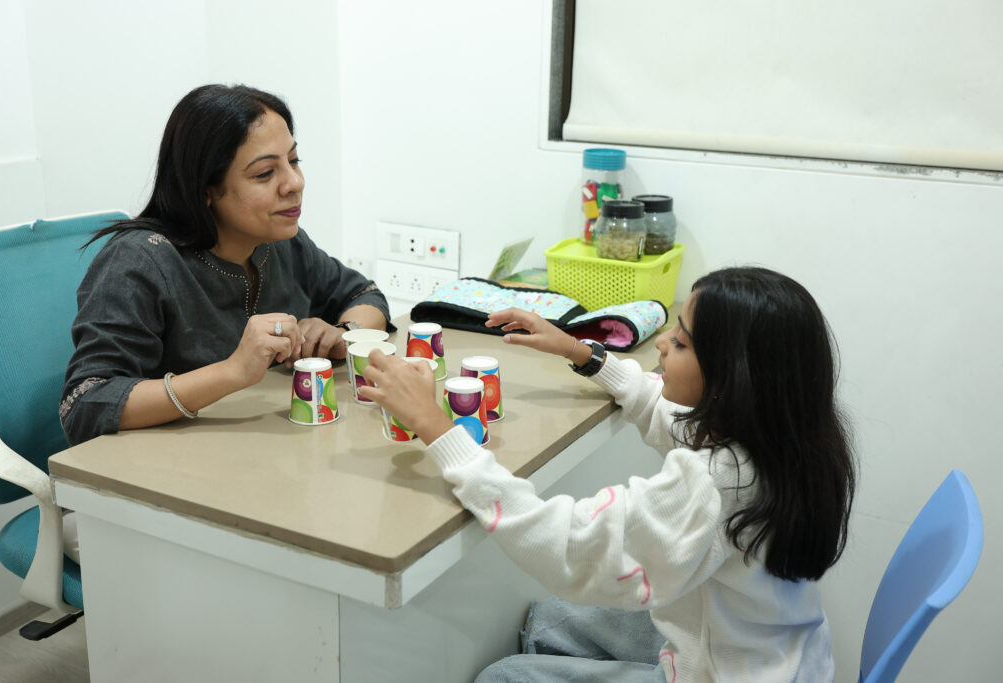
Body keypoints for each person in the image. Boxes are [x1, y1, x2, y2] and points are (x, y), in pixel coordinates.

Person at [359, 266, 856, 682]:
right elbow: (671, 416)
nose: (662, 344)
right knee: (548, 620)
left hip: (720, 671)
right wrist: (580, 351)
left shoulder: (714, 481)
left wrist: (437, 428)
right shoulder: (783, 438)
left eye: (681, 343)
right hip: (772, 655)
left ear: (732, 378)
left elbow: (568, 546)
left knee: (504, 677)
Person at [60, 84, 391, 447]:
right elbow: (85, 405)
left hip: (265, 453)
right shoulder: (140, 262)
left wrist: (344, 332)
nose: (295, 183)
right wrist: (232, 372)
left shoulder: (280, 242)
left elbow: (366, 295)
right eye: (266, 173)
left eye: (293, 161)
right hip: (167, 475)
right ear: (205, 188)